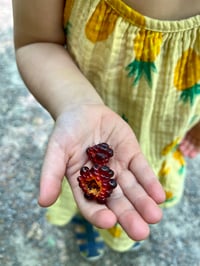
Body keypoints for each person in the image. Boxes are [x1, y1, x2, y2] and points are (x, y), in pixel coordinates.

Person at [12, 0, 200, 261]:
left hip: (168, 130)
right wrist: (75, 103)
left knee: (140, 183)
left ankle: (116, 226)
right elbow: (36, 41)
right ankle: (87, 221)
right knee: (88, 192)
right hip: (84, 111)